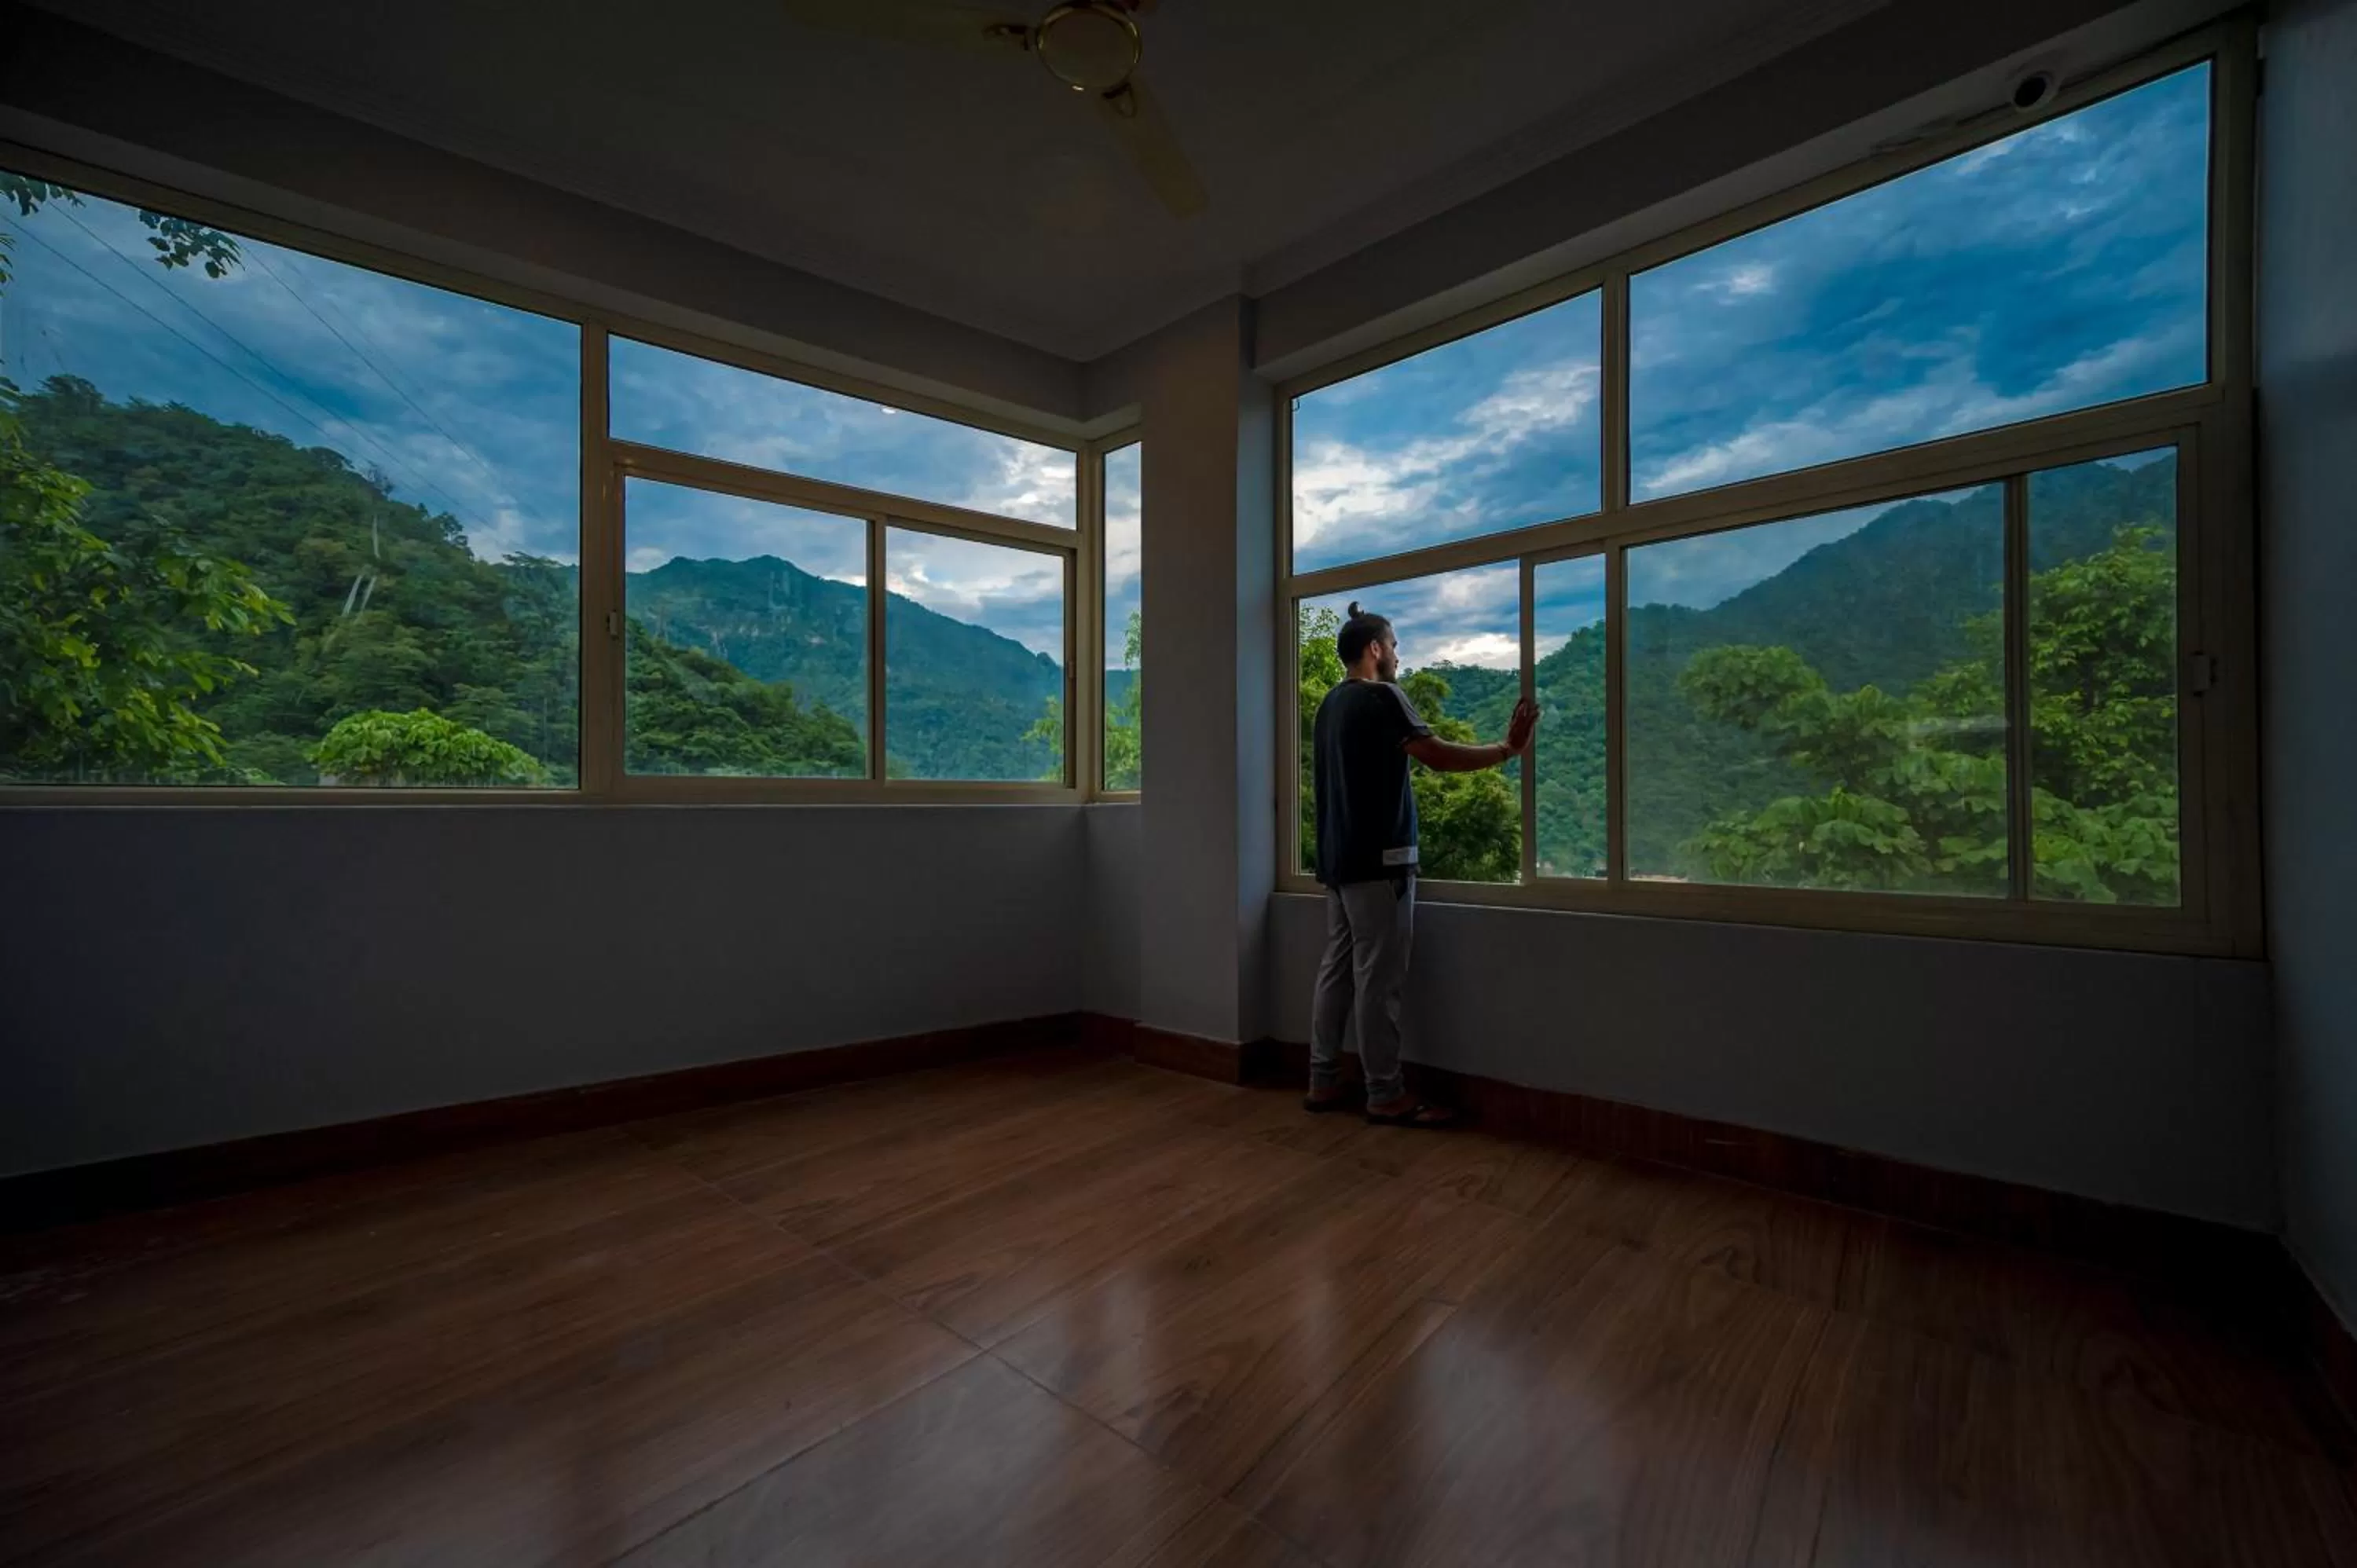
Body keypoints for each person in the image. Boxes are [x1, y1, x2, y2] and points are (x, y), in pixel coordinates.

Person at [1307, 603, 1538, 1127]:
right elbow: (1435, 754)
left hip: (1338, 862)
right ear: (1374, 650)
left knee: (1337, 972)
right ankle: (1384, 1093)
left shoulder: (1329, 706)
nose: (1397, 654)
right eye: (1392, 644)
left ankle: (1322, 1081)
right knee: (1378, 981)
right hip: (1381, 864)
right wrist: (1507, 749)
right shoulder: (1383, 696)